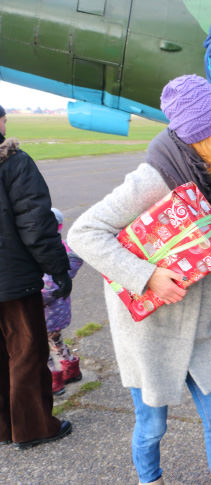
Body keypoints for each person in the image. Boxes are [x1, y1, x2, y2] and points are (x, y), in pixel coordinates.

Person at [68, 75, 211, 485]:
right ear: (198, 135)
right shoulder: (154, 179)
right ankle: (149, 479)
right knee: (152, 427)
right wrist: (146, 277)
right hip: (152, 331)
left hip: (199, 326)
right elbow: (83, 233)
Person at [0, 103, 73, 450]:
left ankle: (4, 428)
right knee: (27, 352)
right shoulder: (14, 163)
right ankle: (33, 427)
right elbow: (36, 224)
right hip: (13, 280)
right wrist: (58, 268)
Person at [42, 208, 84, 396]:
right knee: (55, 339)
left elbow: (48, 288)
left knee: (40, 347)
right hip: (59, 311)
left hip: (45, 312)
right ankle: (71, 368)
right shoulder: (65, 249)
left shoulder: (46, 253)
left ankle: (53, 380)